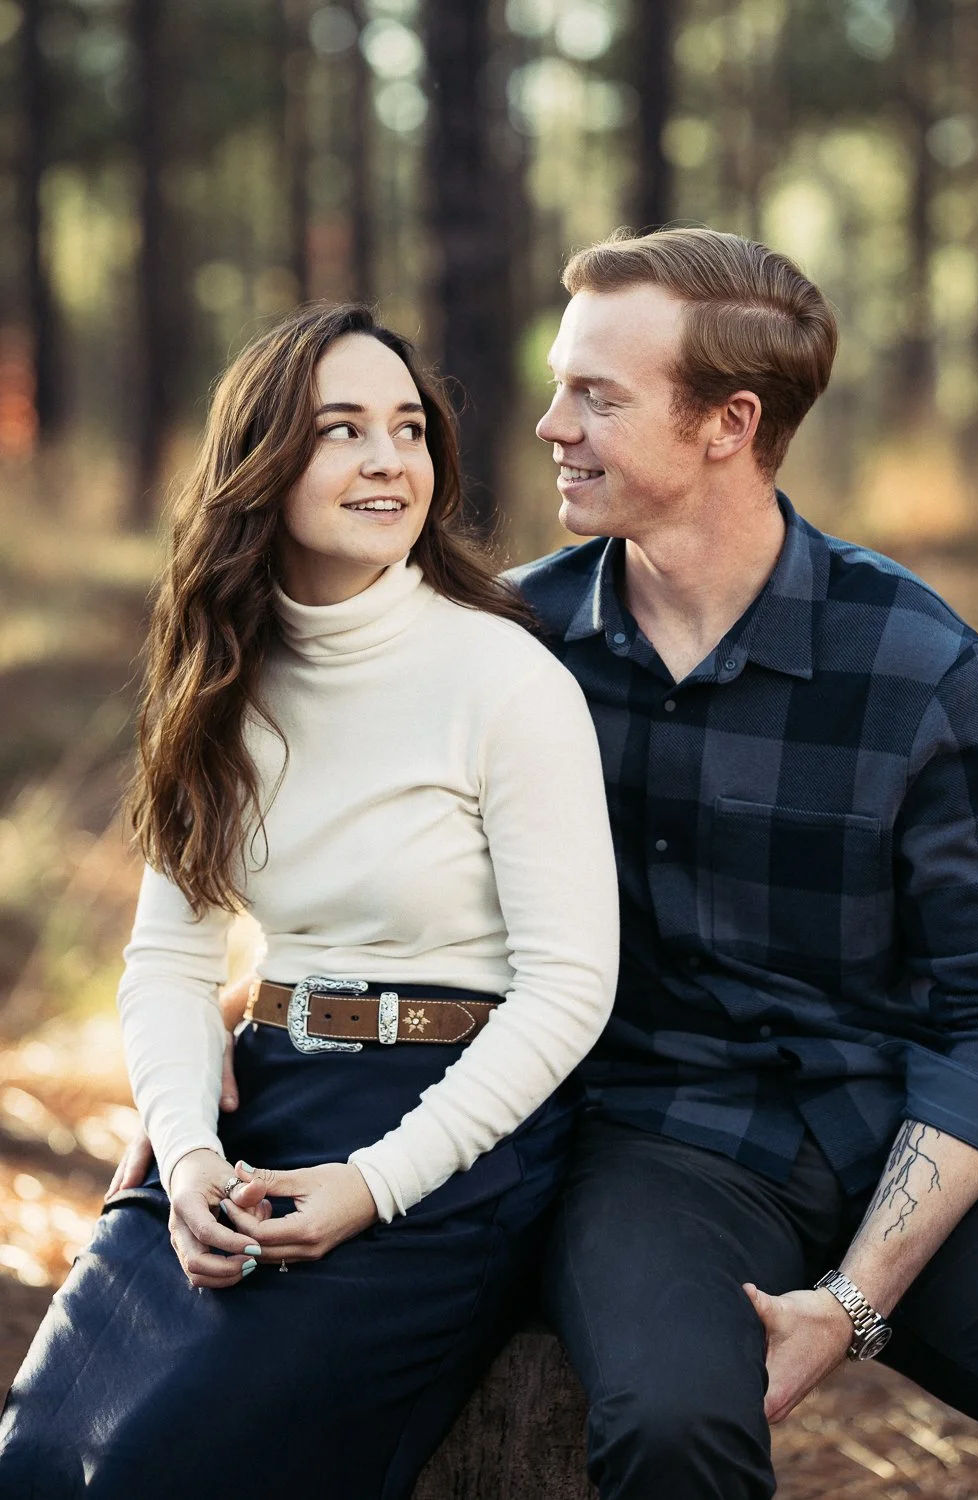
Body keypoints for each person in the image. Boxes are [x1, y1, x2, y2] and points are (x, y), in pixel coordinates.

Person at [0, 303, 620, 1498]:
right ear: (261, 463)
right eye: (342, 430)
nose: (390, 458)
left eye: (407, 427)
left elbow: (570, 986)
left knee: (159, 1469)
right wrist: (183, 1155)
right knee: (37, 1455)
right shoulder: (217, 681)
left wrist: (373, 1183)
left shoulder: (504, 677)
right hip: (268, 1097)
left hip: (451, 1130)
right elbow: (169, 965)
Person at [507, 227, 978, 1499]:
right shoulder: (510, 650)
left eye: (597, 396)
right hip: (655, 1144)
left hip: (899, 1127)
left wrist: (853, 1299)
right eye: (561, 384)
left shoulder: (917, 668)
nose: (551, 424)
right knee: (670, 1428)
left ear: (727, 423)